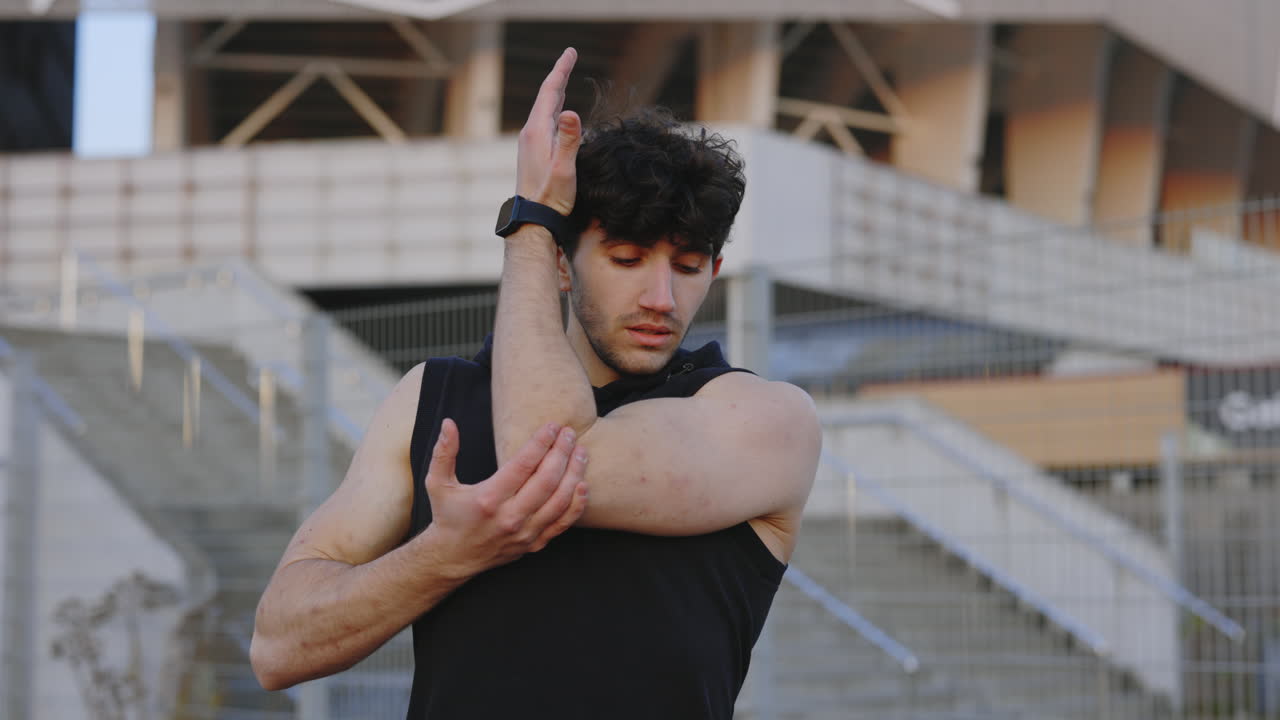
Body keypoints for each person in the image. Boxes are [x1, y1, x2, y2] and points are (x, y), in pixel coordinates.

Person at [249, 48, 822, 719]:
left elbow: (544, 451)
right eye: (628, 258)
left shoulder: (764, 418)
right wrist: (445, 554)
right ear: (559, 263)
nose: (662, 297)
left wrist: (528, 218)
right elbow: (277, 647)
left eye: (690, 266)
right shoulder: (435, 397)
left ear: (715, 270)